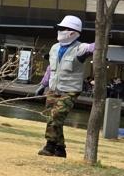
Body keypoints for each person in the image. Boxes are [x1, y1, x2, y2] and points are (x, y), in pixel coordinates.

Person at [34, 15, 95, 158]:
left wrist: (102, 40)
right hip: (53, 88)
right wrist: (43, 84)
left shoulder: (80, 48)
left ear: (73, 32)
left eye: (62, 29)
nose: (59, 31)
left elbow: (94, 46)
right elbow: (51, 68)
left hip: (70, 90)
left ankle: (49, 146)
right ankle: (60, 149)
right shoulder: (54, 47)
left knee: (56, 116)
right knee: (54, 118)